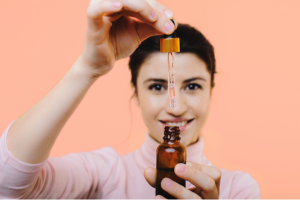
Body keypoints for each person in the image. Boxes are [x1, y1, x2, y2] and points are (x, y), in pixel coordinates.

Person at [0, 0, 260, 198]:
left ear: (211, 90)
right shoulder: (104, 173)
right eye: (157, 87)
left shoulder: (237, 189)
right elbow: (7, 183)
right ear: (135, 93)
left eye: (192, 86)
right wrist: (87, 69)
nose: (177, 107)